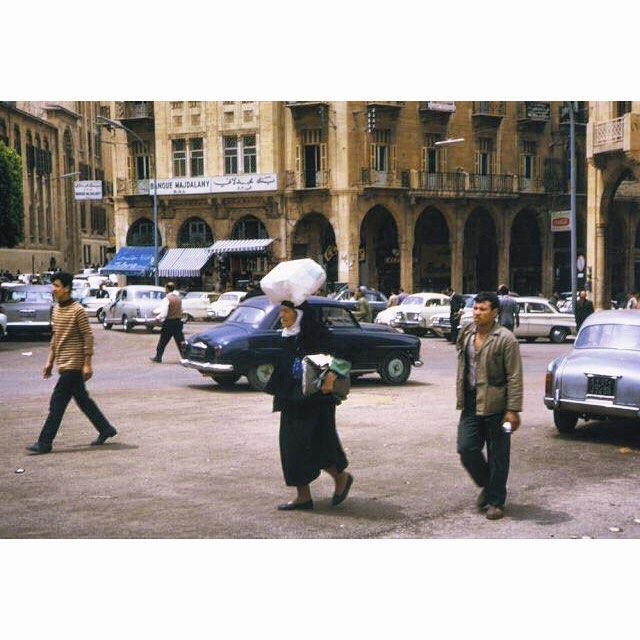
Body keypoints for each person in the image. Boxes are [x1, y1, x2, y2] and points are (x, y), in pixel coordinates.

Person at [265, 300, 352, 510]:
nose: (282, 316)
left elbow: (342, 355)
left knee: (319, 442)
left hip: (316, 398)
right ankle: (303, 496)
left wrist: (332, 375)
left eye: (286, 311)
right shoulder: (286, 335)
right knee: (291, 446)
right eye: (281, 311)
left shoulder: (316, 332)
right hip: (291, 397)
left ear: (299, 314)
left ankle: (341, 477)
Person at [26, 272, 118, 454]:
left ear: (67, 288)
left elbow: (87, 336)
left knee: (57, 404)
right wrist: (49, 361)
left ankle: (44, 443)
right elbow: (56, 337)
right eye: (53, 285)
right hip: (63, 363)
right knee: (83, 401)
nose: (53, 289)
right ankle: (106, 429)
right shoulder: (57, 309)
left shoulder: (78, 311)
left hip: (74, 364)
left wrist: (87, 363)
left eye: (57, 286)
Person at [455, 292, 523, 520]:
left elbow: (514, 376)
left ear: (495, 313)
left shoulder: (506, 339)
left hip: (499, 407)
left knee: (499, 455)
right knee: (466, 448)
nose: (477, 313)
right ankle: (488, 484)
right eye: (475, 308)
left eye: (482, 309)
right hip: (471, 403)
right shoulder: (466, 333)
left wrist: (512, 410)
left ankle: (496, 501)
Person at [150, 282, 186, 363]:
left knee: (163, 341)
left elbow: (164, 313)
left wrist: (157, 318)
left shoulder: (167, 299)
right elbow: (181, 310)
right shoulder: (178, 299)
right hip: (178, 322)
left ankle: (158, 357)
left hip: (169, 322)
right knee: (180, 341)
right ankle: (185, 357)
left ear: (167, 289)